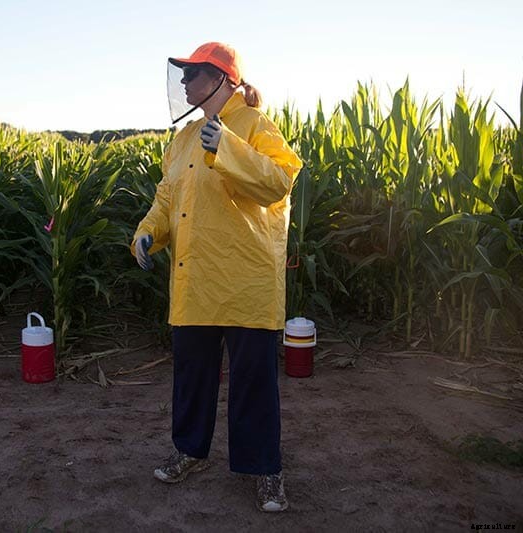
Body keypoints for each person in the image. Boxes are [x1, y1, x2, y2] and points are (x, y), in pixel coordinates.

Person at [130, 42, 303, 512]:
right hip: (195, 279)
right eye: (182, 75)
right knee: (192, 374)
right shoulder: (183, 139)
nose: (184, 83)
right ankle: (190, 451)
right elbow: (168, 198)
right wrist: (147, 233)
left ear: (223, 78)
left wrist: (228, 147)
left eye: (193, 74)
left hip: (247, 279)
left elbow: (279, 182)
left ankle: (266, 470)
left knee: (253, 380)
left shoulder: (254, 125)